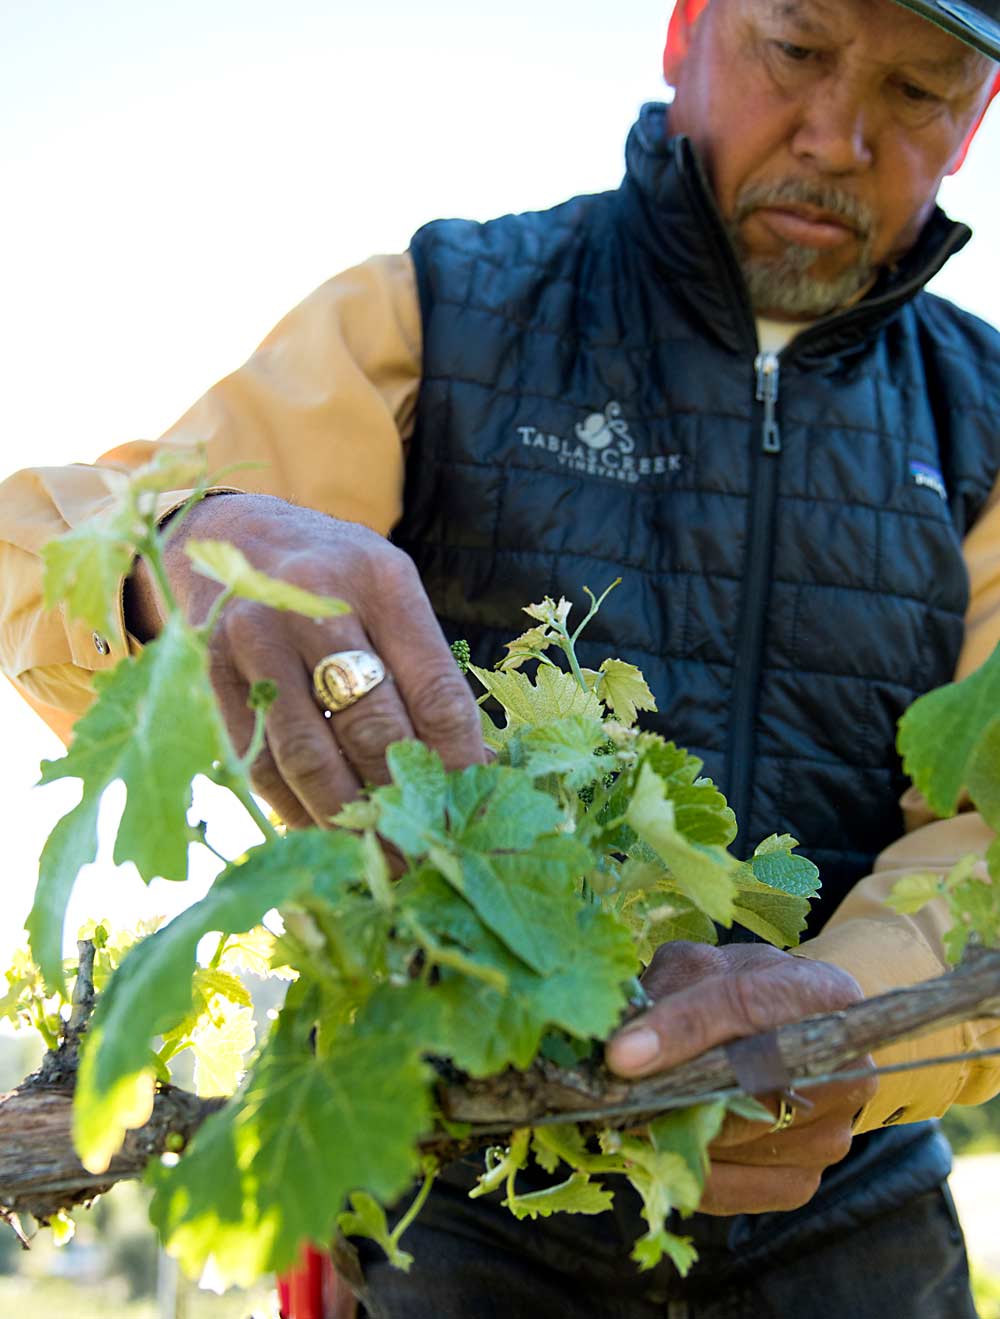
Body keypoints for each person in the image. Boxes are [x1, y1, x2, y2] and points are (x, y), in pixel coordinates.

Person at [2, 0, 1000, 1313]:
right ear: (686, 29)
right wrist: (181, 554)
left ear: (977, 120)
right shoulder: (439, 309)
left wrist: (846, 1016)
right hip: (457, 1185)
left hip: (850, 1199)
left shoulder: (984, 424)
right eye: (798, 50)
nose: (839, 133)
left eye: (921, 87)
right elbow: (50, 550)